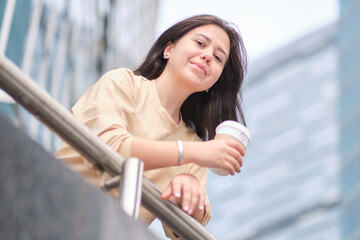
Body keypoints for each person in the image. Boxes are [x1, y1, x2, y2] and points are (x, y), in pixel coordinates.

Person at [54, 14, 248, 239]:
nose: (207, 56)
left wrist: (187, 195)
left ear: (212, 83)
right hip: (53, 203)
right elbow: (109, 148)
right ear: (169, 49)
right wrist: (194, 152)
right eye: (200, 43)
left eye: (217, 58)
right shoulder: (123, 83)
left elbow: (187, 231)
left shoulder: (195, 147)